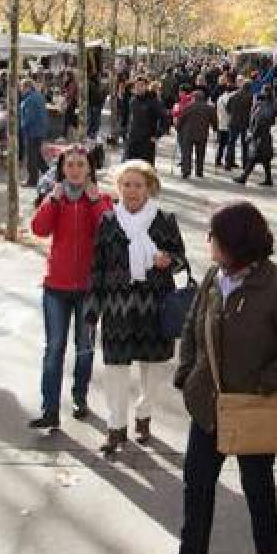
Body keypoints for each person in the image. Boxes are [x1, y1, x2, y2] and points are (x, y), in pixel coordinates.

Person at [143, 201, 277, 554]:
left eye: (215, 237)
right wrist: (187, 374)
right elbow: (191, 326)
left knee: (257, 484)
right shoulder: (213, 277)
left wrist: (263, 383)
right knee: (197, 483)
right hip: (208, 403)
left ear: (236, 244)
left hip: (253, 409)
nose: (209, 243)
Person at [86, 160, 185, 456]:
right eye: (126, 185)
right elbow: (97, 269)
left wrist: (169, 260)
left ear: (149, 188)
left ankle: (144, 415)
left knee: (152, 372)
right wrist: (93, 311)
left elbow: (182, 262)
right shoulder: (107, 221)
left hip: (154, 309)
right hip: (117, 309)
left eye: (138, 185)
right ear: (118, 188)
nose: (131, 191)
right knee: (115, 371)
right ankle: (116, 428)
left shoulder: (164, 220)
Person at [28, 148, 114, 430]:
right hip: (56, 287)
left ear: (89, 169)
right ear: (62, 169)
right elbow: (39, 229)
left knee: (85, 348)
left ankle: (80, 397)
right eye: (70, 165)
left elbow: (110, 234)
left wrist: (94, 203)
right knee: (54, 348)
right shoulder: (56, 197)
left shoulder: (100, 199)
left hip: (89, 290)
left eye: (81, 165)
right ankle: (50, 409)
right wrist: (51, 201)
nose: (75, 170)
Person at [235, 87, 276, 186]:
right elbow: (272, 121)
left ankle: (243, 177)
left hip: (259, 137)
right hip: (266, 135)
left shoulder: (261, 106)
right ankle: (268, 179)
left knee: (253, 157)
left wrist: (252, 134)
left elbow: (258, 122)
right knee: (265, 159)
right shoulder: (271, 105)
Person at [176, 87, 215, 179]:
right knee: (200, 153)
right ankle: (199, 171)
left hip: (188, 133)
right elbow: (214, 120)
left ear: (194, 97)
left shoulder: (188, 106)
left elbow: (181, 119)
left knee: (187, 152)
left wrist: (178, 128)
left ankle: (186, 171)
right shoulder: (209, 108)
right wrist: (215, 128)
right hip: (202, 134)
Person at [125, 76, 164, 165]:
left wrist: (157, 135)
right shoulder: (133, 100)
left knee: (145, 171)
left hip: (146, 143)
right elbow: (129, 118)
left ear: (146, 86)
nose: (138, 88)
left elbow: (164, 118)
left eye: (141, 85)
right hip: (132, 141)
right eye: (137, 85)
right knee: (131, 168)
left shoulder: (153, 101)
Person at [20, 78, 49, 187]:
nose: (21, 90)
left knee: (31, 157)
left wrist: (22, 128)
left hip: (32, 131)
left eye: (22, 87)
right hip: (39, 130)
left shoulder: (29, 99)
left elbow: (29, 118)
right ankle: (48, 172)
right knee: (36, 155)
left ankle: (32, 180)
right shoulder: (38, 96)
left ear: (27, 87)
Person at [224, 77, 253, 170]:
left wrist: (233, 114)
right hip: (244, 123)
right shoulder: (250, 96)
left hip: (233, 121)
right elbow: (251, 110)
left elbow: (227, 109)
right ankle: (245, 164)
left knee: (231, 143)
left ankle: (228, 164)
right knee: (245, 144)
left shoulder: (233, 95)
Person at [214, 76, 234, 167]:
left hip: (221, 122)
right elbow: (230, 111)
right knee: (227, 144)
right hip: (227, 123)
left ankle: (218, 160)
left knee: (221, 144)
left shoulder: (220, 97)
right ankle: (227, 161)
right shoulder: (229, 99)